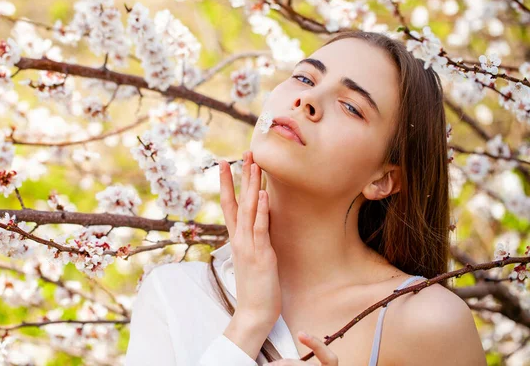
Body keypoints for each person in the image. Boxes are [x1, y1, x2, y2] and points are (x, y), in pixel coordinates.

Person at [124, 30, 487, 365]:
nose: (308, 99)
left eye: (352, 107)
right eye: (304, 77)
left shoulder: (428, 321)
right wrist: (248, 323)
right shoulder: (174, 293)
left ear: (383, 179)